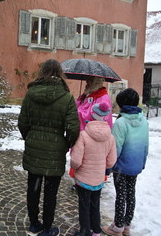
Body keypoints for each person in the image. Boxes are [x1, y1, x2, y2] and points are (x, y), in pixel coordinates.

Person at [18, 59, 80, 236]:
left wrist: (29, 137)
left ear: (42, 72)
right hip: (55, 150)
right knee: (51, 192)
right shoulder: (67, 97)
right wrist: (66, 144)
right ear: (60, 73)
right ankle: (47, 227)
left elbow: (22, 122)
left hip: (34, 147)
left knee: (33, 187)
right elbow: (74, 128)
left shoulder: (31, 94)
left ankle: (34, 223)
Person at [102, 88, 149, 236]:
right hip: (135, 165)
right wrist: (142, 162)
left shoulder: (121, 123)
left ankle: (117, 228)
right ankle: (127, 226)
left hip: (121, 166)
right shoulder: (144, 121)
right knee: (130, 194)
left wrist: (109, 167)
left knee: (121, 195)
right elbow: (146, 145)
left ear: (122, 104)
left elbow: (115, 147)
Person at [70, 102, 117, 236]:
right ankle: (96, 230)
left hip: (83, 178)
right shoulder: (110, 138)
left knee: (84, 206)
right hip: (98, 179)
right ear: (105, 117)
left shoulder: (83, 135)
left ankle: (85, 231)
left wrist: (76, 168)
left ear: (92, 114)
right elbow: (111, 162)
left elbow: (76, 161)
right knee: (95, 205)